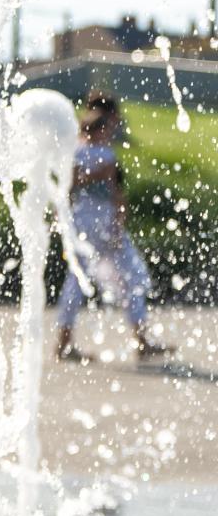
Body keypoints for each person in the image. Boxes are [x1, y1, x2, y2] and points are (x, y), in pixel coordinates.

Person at [56, 93, 173, 362]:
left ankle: (64, 341)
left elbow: (67, 188)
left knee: (76, 279)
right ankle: (142, 340)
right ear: (103, 124)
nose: (114, 127)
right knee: (131, 276)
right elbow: (117, 194)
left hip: (79, 221)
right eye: (110, 124)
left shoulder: (74, 150)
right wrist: (119, 224)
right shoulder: (106, 154)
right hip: (104, 223)